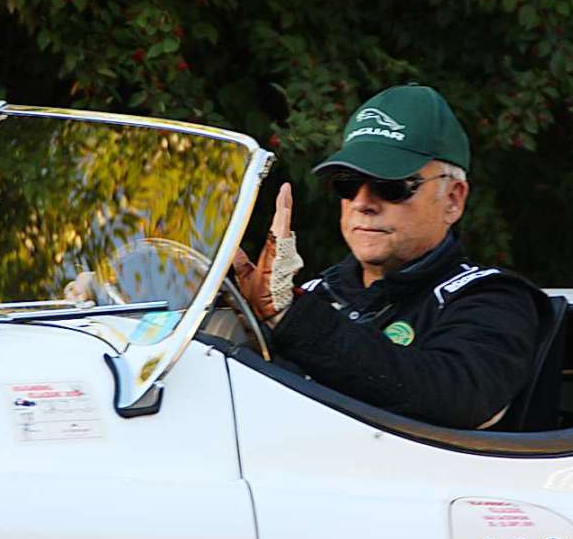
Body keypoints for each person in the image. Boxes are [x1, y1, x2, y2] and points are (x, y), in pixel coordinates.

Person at [233, 84, 549, 430]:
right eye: (348, 184)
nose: (363, 202)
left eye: (391, 186)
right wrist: (237, 321)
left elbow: (458, 398)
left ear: (453, 199)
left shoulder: (493, 298)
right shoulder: (314, 293)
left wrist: (290, 318)